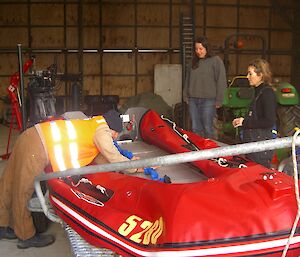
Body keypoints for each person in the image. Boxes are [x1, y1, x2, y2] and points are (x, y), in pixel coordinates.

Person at [0, 109, 143, 249]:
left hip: (31, 135)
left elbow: (102, 158)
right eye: (115, 134)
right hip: (37, 145)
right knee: (22, 188)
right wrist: (134, 167)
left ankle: (2, 225)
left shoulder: (94, 123)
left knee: (8, 180)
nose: (114, 137)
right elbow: (112, 155)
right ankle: (26, 236)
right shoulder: (102, 131)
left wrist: (123, 165)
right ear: (113, 129)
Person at [232, 59, 277, 168]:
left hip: (261, 147)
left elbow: (269, 121)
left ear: (260, 75)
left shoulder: (267, 94)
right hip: (254, 144)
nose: (247, 77)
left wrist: (245, 122)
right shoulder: (258, 92)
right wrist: (243, 121)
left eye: (250, 73)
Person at [183, 36, 227, 139]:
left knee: (208, 127)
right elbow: (188, 80)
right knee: (195, 128)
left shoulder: (216, 61)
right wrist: (185, 95)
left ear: (207, 48)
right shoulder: (193, 62)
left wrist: (219, 100)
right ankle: (198, 152)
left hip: (209, 100)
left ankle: (211, 151)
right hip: (193, 99)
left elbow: (221, 80)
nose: (198, 51)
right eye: (196, 49)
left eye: (201, 49)